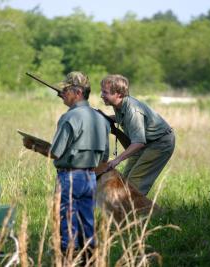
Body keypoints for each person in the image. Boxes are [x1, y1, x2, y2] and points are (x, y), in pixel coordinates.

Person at [23, 71, 110, 255]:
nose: (62, 93)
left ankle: (66, 259)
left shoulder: (69, 117)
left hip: (69, 177)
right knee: (87, 225)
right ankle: (91, 260)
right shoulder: (101, 119)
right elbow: (104, 156)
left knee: (66, 226)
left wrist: (33, 146)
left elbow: (55, 152)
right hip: (90, 178)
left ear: (78, 93)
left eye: (66, 90)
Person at [100, 74, 175, 196]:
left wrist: (117, 160)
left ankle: (136, 212)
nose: (101, 95)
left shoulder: (133, 110)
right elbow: (124, 120)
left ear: (119, 94)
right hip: (146, 143)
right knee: (125, 182)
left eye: (105, 92)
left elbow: (139, 142)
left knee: (134, 184)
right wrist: (106, 118)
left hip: (159, 143)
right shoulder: (119, 105)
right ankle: (126, 210)